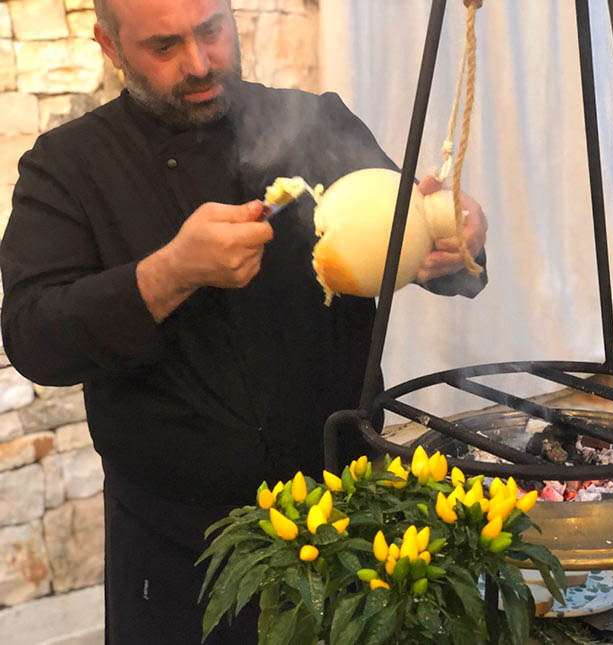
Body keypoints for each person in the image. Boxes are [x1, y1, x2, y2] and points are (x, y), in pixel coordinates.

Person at [0, 0, 488, 642]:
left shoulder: (319, 121)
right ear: (110, 46)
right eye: (165, 47)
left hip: (346, 508)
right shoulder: (68, 165)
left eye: (212, 32)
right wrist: (169, 272)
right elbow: (36, 337)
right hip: (179, 542)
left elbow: (409, 241)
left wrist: (455, 237)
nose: (200, 63)